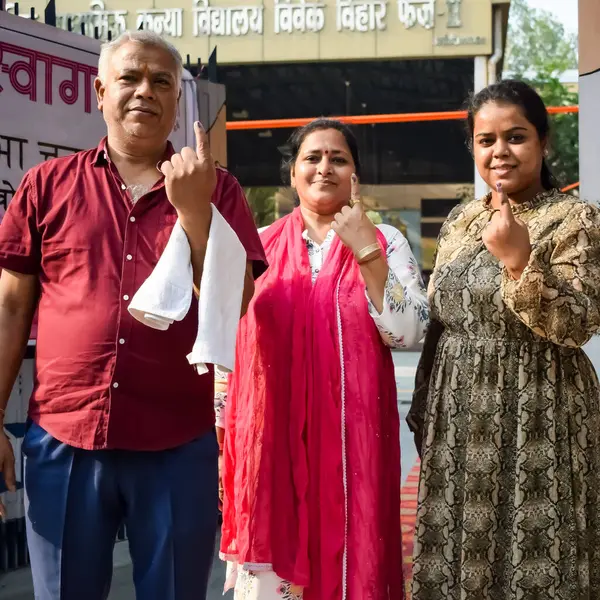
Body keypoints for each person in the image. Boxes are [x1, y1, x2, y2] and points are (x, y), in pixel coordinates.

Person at [0, 31, 266, 600]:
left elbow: (237, 304)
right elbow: (11, 306)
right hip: (65, 435)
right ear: (100, 91)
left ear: (176, 101)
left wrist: (195, 212)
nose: (145, 91)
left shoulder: (217, 189)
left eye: (161, 82)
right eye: (130, 78)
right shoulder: (47, 185)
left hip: (176, 441)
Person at [219, 118, 429, 600]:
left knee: (356, 563)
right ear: (292, 173)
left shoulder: (388, 241)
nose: (324, 167)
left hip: (353, 446)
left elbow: (409, 331)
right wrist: (223, 431)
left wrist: (366, 253)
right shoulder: (258, 244)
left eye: (339, 158)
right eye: (312, 157)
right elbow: (229, 346)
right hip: (268, 443)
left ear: (356, 175)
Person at [408, 80, 600, 599]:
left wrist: (519, 261)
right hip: (461, 418)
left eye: (515, 137)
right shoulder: (461, 219)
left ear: (543, 141)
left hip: (541, 411)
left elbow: (580, 321)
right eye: (485, 140)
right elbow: (441, 318)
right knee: (459, 552)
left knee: (537, 553)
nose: (499, 152)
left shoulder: (573, 218)